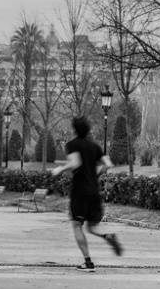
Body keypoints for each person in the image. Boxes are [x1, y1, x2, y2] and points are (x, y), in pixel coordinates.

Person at [51, 116, 123, 272]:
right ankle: (107, 237)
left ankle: (88, 262)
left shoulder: (72, 145)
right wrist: (95, 176)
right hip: (94, 193)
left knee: (77, 226)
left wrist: (59, 170)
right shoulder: (95, 146)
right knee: (90, 228)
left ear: (74, 129)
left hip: (80, 192)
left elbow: (75, 163)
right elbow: (108, 165)